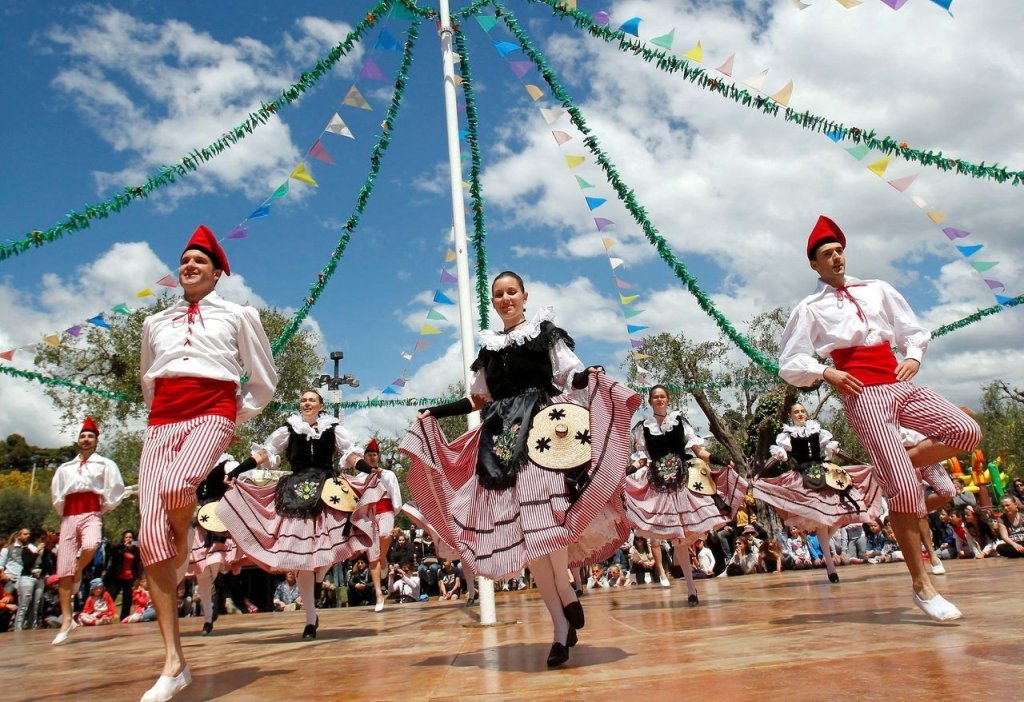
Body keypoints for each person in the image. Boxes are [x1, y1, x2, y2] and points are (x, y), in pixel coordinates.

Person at [401, 271, 640, 667]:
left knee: (549, 523)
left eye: (512, 292)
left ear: (525, 296)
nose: (506, 298)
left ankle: (565, 594)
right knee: (529, 539)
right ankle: (560, 627)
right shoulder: (489, 350)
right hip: (499, 442)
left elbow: (569, 375)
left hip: (545, 432)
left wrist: (590, 375)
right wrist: (436, 413)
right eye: (499, 294)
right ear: (494, 302)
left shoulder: (546, 334)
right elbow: (478, 399)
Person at [778, 215, 981, 622]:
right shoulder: (810, 308)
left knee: (966, 429)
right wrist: (826, 371)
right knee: (906, 490)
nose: (836, 258)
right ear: (814, 265)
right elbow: (790, 361)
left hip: (898, 379)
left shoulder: (877, 288)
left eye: (839, 251)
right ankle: (923, 587)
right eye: (826, 254)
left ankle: (894, 466)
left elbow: (913, 329)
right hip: (863, 393)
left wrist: (913, 356)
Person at [136, 225, 278, 702]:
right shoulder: (154, 323)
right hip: (162, 422)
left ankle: (181, 551)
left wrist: (234, 414)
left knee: (179, 488)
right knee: (148, 537)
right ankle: (174, 663)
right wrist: (160, 420)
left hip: (214, 412)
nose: (189, 265)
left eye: (199, 260)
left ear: (217, 272)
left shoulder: (239, 315)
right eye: (184, 260)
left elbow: (263, 379)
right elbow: (148, 380)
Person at [218, 389, 377, 640]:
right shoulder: (288, 430)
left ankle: (319, 578)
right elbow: (264, 454)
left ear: (321, 405)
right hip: (297, 494)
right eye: (303, 399)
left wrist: (369, 470)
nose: (306, 403)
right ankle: (310, 619)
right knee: (301, 557)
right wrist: (238, 470)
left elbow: (351, 455)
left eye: (311, 399)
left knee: (330, 550)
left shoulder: (333, 429)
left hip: (327, 492)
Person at [624, 384, 748, 604]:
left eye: (662, 396)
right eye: (655, 397)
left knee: (683, 538)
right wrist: (627, 472)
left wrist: (719, 460)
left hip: (684, 479)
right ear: (650, 401)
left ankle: (691, 588)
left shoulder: (680, 421)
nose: (659, 400)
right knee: (677, 539)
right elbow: (642, 459)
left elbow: (698, 451)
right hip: (660, 483)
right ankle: (691, 588)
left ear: (668, 399)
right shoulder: (643, 427)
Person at [753, 401, 881, 584]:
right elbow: (777, 457)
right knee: (820, 521)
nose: (799, 414)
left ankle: (825, 547)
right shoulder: (787, 435)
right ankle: (830, 567)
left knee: (841, 512)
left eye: (802, 411)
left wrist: (858, 462)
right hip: (804, 479)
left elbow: (835, 450)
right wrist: (759, 474)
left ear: (806, 413)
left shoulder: (817, 430)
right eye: (796, 412)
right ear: (791, 416)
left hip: (825, 473)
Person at [50, 417, 125, 644]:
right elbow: (57, 495)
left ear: (96, 440)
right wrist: (66, 515)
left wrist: (102, 507)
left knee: (92, 544)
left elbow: (116, 490)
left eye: (90, 436)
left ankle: (79, 569)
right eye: (83, 436)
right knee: (63, 569)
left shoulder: (105, 464)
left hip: (92, 511)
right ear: (78, 440)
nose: (86, 439)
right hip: (69, 515)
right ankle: (66, 620)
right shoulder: (65, 468)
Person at [188, 454, 252, 635]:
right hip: (200, 521)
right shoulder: (194, 465)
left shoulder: (226, 463)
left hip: (218, 521)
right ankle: (208, 617)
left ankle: (221, 584)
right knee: (202, 573)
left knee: (213, 563)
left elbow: (240, 475)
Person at [347, 438, 402, 612]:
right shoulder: (359, 478)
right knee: (372, 555)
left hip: (386, 511)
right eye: (369, 455)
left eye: (374, 455)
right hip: (368, 515)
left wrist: (394, 512)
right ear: (364, 458)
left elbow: (396, 496)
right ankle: (379, 593)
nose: (372, 458)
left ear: (378, 457)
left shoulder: (388, 474)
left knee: (386, 536)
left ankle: (384, 558)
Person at [105, 530, 143, 623]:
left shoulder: (135, 550)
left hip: (129, 578)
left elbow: (139, 563)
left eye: (130, 537)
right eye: (126, 537)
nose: (128, 539)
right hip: (116, 578)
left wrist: (138, 577)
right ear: (123, 538)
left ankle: (124, 619)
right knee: (111, 596)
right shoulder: (119, 548)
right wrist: (123, 546)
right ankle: (106, 616)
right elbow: (110, 550)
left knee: (127, 600)